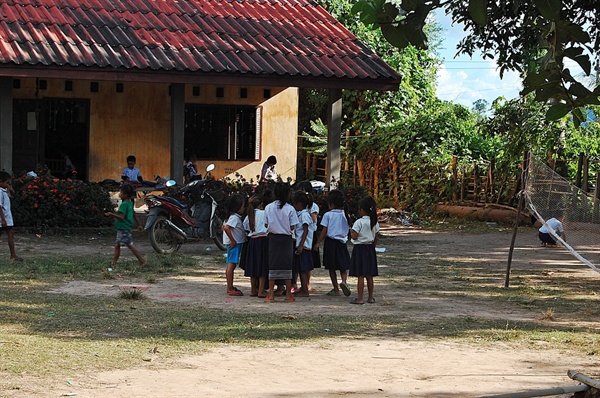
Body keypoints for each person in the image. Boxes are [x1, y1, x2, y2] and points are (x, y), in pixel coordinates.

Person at [264, 182, 299, 303]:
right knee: (287, 265)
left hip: (273, 238)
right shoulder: (290, 209)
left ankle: (271, 295)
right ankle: (288, 294)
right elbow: (293, 226)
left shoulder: (268, 207)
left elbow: (265, 224)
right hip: (286, 239)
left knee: (272, 264)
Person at [313, 189, 351, 297]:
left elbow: (324, 230)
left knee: (331, 267)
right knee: (343, 266)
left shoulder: (328, 215)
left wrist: (318, 242)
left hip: (331, 243)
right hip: (342, 242)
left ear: (331, 203)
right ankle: (344, 281)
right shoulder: (345, 214)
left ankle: (336, 289)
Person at [105, 183, 146, 267]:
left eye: (121, 192)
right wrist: (139, 224)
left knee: (129, 245)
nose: (119, 193)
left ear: (125, 194)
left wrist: (111, 214)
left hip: (123, 227)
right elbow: (134, 214)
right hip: (126, 227)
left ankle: (142, 261)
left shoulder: (123, 205)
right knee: (118, 245)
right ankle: (114, 263)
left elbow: (121, 217)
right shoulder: (130, 203)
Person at [349, 196, 380, 304]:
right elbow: (376, 237)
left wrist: (351, 231)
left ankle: (360, 298)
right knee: (369, 275)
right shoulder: (374, 221)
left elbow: (354, 236)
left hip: (360, 249)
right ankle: (371, 297)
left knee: (360, 275)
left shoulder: (359, 222)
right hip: (370, 248)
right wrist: (373, 247)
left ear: (362, 209)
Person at [243, 195, 269, 298]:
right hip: (263, 240)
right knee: (262, 266)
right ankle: (261, 290)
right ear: (261, 205)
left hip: (252, 241)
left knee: (253, 265)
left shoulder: (249, 214)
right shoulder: (264, 213)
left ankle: (253, 289)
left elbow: (245, 227)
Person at [223, 194, 247, 296]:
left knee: (231, 264)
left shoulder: (232, 217)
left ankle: (230, 286)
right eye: (242, 206)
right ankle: (230, 287)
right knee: (231, 264)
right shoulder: (234, 218)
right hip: (234, 244)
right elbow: (226, 228)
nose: (244, 208)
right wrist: (232, 240)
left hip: (235, 243)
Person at [292, 190, 314, 297]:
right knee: (301, 269)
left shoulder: (304, 215)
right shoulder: (301, 214)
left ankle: (305, 289)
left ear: (299, 204)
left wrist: (301, 244)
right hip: (301, 244)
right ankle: (303, 288)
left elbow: (305, 230)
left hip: (303, 245)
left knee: (303, 269)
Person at [0, 171, 23, 261]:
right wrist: (3, 219)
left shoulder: (4, 191)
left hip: (6, 217)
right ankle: (13, 255)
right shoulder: (0, 192)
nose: (7, 184)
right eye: (6, 182)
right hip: (3, 217)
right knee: (10, 234)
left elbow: (13, 195)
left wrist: (11, 189)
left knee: (11, 234)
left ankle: (13, 255)